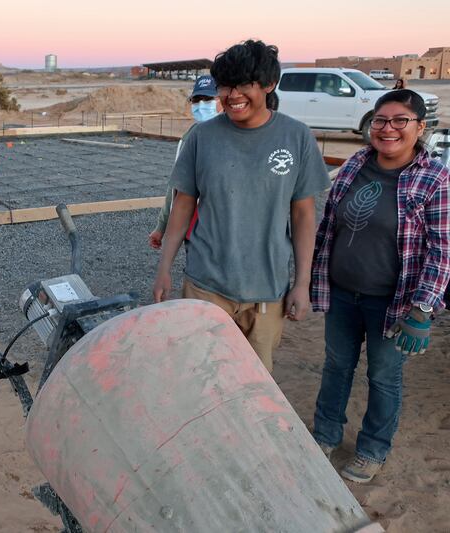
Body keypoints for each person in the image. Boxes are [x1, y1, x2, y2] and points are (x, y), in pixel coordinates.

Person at [152, 40, 330, 372]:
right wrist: (164, 267)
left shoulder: (296, 137)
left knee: (253, 382)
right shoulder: (201, 138)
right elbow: (183, 205)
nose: (232, 95)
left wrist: (302, 283)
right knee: (202, 375)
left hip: (267, 290)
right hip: (206, 286)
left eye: (244, 84)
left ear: (269, 84)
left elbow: (304, 215)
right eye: (226, 85)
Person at [310, 89, 450, 483]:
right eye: (380, 120)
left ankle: (373, 448)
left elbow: (442, 250)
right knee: (337, 366)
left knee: (383, 376)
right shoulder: (357, 164)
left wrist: (422, 310)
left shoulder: (435, 179)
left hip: (394, 302)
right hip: (342, 292)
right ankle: (325, 434)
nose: (388, 129)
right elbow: (329, 226)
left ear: (420, 127)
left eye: (399, 121)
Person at [148, 75, 222, 249]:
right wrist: (162, 226)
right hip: (195, 230)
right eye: (197, 100)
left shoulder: (234, 137)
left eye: (208, 99)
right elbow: (176, 186)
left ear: (222, 100)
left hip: (224, 231)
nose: (202, 105)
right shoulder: (190, 137)